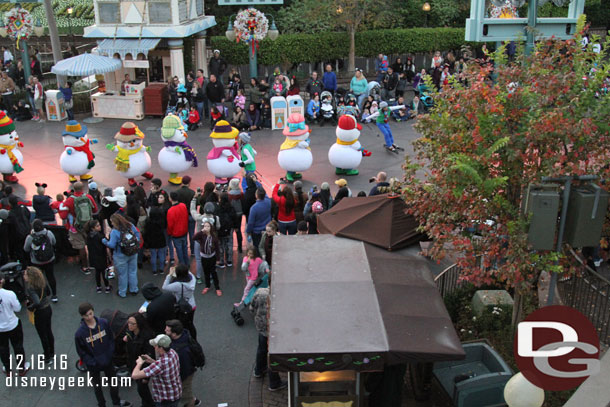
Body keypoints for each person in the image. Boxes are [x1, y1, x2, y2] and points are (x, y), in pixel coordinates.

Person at [75, 303, 132, 407]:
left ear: (93, 311)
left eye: (90, 314)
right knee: (97, 387)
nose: (89, 317)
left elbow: (111, 338)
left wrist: (110, 353)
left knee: (113, 384)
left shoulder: (104, 323)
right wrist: (92, 362)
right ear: (82, 316)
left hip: (108, 360)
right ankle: (102, 404)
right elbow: (81, 351)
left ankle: (116, 402)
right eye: (86, 315)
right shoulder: (80, 333)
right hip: (93, 365)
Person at [250, 286, 287, 392]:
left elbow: (252, 308)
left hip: (261, 327)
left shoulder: (260, 292)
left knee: (261, 349)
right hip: (273, 330)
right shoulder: (280, 297)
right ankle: (274, 382)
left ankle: (259, 370)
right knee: (272, 354)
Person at [131, 334, 182, 407]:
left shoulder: (160, 364)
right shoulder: (172, 353)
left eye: (155, 345)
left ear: (161, 348)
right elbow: (163, 368)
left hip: (165, 400)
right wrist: (152, 361)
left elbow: (135, 375)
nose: (154, 347)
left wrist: (139, 363)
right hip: (175, 393)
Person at [103, 213, 140, 298]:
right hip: (133, 252)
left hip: (120, 255)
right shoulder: (130, 225)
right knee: (133, 271)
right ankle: (134, 289)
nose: (111, 223)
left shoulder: (115, 231)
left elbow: (112, 245)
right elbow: (137, 235)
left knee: (122, 274)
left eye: (112, 222)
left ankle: (122, 292)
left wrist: (105, 241)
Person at [0, 271, 30, 376]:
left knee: (3, 348)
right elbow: (18, 308)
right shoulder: (9, 294)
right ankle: (21, 368)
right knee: (18, 346)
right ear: (2, 281)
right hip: (12, 324)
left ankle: (7, 369)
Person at [165, 320, 200, 407]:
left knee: (187, 396)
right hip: (186, 372)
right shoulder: (184, 335)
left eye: (167, 330)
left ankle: (192, 403)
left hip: (185, 375)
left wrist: (178, 380)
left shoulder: (181, 351)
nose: (165, 331)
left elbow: (185, 368)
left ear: (174, 334)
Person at [123, 313, 155, 407]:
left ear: (139, 324)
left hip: (142, 367)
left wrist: (146, 376)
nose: (130, 325)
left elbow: (148, 355)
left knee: (142, 389)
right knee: (141, 389)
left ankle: (149, 404)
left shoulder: (146, 337)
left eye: (133, 324)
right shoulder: (130, 333)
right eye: (129, 322)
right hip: (133, 364)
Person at [24, 267, 54, 362]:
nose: (24, 276)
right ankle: (52, 352)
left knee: (42, 335)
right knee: (48, 331)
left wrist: (30, 306)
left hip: (40, 312)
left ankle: (47, 356)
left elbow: (37, 302)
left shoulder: (30, 288)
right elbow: (48, 293)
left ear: (30, 277)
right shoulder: (42, 282)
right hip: (48, 308)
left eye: (25, 274)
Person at [24, 219, 58, 301]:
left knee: (39, 277)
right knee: (51, 276)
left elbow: (26, 249)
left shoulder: (30, 237)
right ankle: (54, 295)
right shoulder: (48, 233)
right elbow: (54, 242)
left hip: (36, 261)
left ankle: (44, 292)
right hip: (49, 259)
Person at [162, 264, 197, 340]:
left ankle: (185, 339)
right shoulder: (192, 280)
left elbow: (164, 287)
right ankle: (193, 339)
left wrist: (169, 275)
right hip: (192, 305)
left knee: (182, 325)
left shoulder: (177, 285)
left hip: (182, 307)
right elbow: (189, 273)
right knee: (190, 323)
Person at [194, 221, 221, 296]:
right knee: (206, 272)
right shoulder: (202, 235)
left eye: (208, 226)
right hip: (204, 257)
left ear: (211, 227)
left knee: (214, 273)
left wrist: (218, 259)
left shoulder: (214, 237)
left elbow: (217, 249)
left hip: (212, 257)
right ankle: (207, 285)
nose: (206, 228)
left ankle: (217, 287)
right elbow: (194, 238)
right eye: (205, 226)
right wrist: (200, 232)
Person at [85, 219, 112, 293]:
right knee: (104, 272)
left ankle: (98, 286)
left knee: (97, 272)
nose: (100, 227)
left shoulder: (88, 236)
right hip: (101, 256)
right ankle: (107, 286)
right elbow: (107, 243)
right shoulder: (100, 236)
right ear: (93, 228)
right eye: (97, 226)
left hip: (93, 257)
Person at [167, 191, 189, 266]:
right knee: (185, 248)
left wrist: (170, 233)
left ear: (171, 199)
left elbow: (170, 225)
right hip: (184, 231)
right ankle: (187, 263)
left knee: (179, 250)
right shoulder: (183, 206)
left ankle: (182, 264)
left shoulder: (170, 211)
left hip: (176, 234)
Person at [144, 207, 167, 276]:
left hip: (152, 240)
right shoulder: (162, 220)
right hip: (161, 239)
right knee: (161, 254)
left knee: (153, 255)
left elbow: (146, 231)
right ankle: (161, 269)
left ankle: (154, 270)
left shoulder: (148, 221)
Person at [217, 193, 236, 268]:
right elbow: (234, 217)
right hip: (229, 228)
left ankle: (221, 261)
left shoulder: (218, 208)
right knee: (229, 244)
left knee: (221, 245)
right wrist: (235, 226)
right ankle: (229, 261)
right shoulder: (231, 207)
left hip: (220, 229)